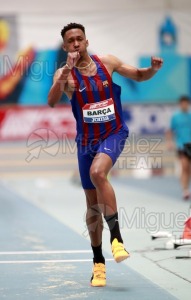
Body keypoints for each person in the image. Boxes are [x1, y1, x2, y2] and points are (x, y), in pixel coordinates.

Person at [48, 22, 163, 287]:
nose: (76, 43)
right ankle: (98, 263)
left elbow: (139, 75)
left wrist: (153, 70)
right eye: (71, 41)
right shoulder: (64, 75)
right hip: (86, 143)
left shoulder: (107, 63)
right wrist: (66, 68)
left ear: (86, 41)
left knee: (98, 172)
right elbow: (52, 100)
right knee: (92, 207)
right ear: (66, 47)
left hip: (114, 134)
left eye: (80, 39)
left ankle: (117, 240)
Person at [166, 96, 191, 200]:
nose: (184, 105)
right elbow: (170, 130)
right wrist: (169, 142)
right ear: (180, 104)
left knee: (189, 169)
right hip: (182, 145)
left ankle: (187, 187)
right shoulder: (176, 117)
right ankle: (184, 190)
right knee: (184, 166)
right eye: (183, 103)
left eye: (186, 103)